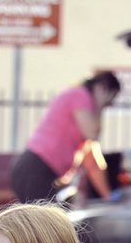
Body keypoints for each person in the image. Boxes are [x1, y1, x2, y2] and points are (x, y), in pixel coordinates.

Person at [10, 71, 121, 204]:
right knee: (45, 222)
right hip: (37, 168)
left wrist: (107, 197)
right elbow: (92, 133)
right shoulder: (79, 95)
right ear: (100, 88)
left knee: (46, 219)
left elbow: (94, 165)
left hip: (41, 171)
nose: (108, 105)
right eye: (109, 100)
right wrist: (100, 106)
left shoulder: (81, 124)